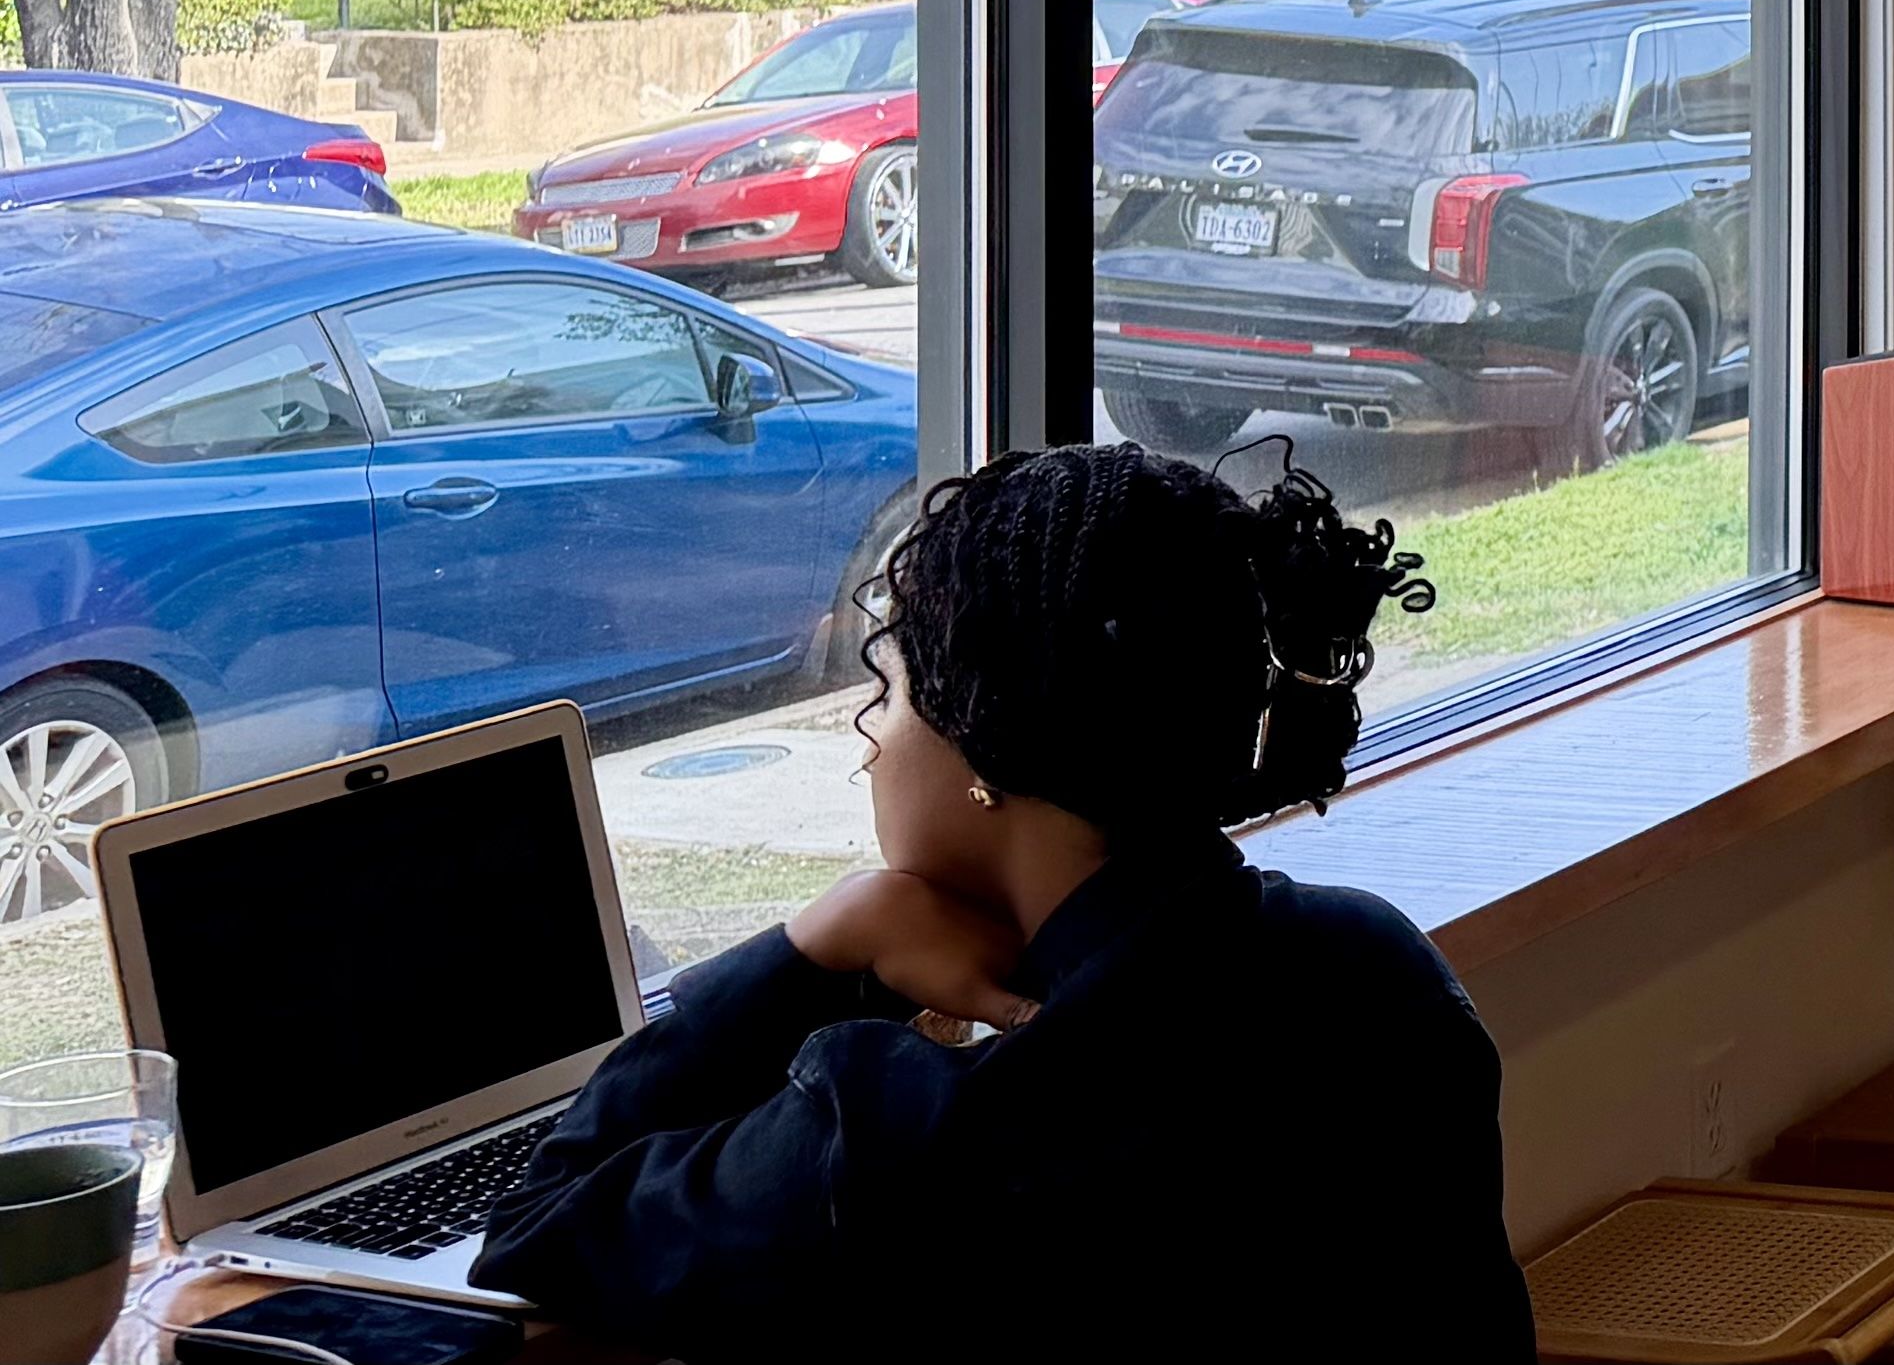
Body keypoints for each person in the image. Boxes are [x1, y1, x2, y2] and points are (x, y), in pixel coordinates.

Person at [476, 443, 1529, 1364]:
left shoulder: (917, 1138)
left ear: (983, 750)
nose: (869, 736)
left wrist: (819, 944)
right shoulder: (1377, 967)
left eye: (890, 692)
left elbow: (542, 1221)